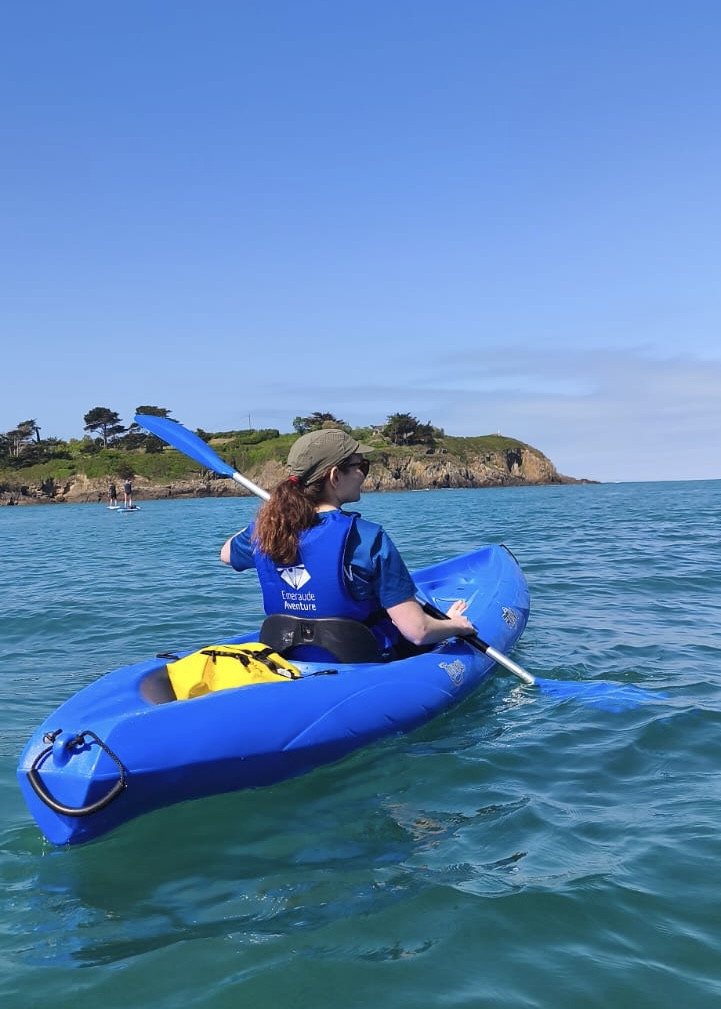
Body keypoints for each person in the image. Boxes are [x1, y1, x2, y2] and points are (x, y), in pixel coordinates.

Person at [220, 429, 475, 660]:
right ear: (334, 475)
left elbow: (227, 554)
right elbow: (418, 632)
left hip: (290, 658)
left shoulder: (265, 531)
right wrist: (454, 624)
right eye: (361, 465)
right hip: (361, 661)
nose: (363, 473)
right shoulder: (368, 538)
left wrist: (267, 519)